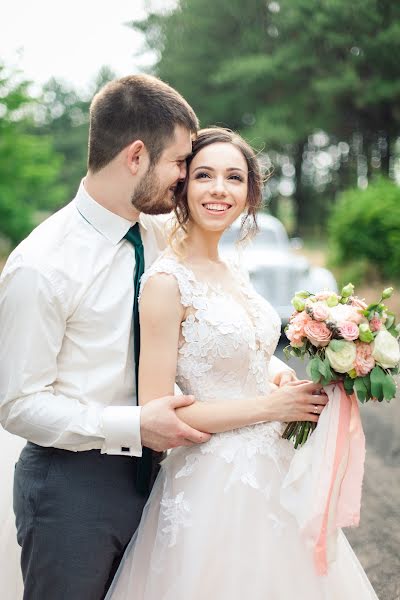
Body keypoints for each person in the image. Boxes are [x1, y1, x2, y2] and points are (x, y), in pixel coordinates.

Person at [0, 77, 301, 600]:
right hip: (76, 489)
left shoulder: (156, 231)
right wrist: (134, 424)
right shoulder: (41, 265)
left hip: (169, 477)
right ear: (137, 156)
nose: (185, 178)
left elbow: (209, 319)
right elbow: (17, 404)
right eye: (181, 163)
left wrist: (263, 367)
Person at [105, 127, 379, 600]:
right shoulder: (166, 283)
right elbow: (158, 412)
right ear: (182, 187)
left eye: (234, 177)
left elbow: (248, 348)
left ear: (249, 192)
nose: (219, 189)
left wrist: (275, 373)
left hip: (273, 467)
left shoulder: (234, 268)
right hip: (213, 487)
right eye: (204, 175)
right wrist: (272, 408)